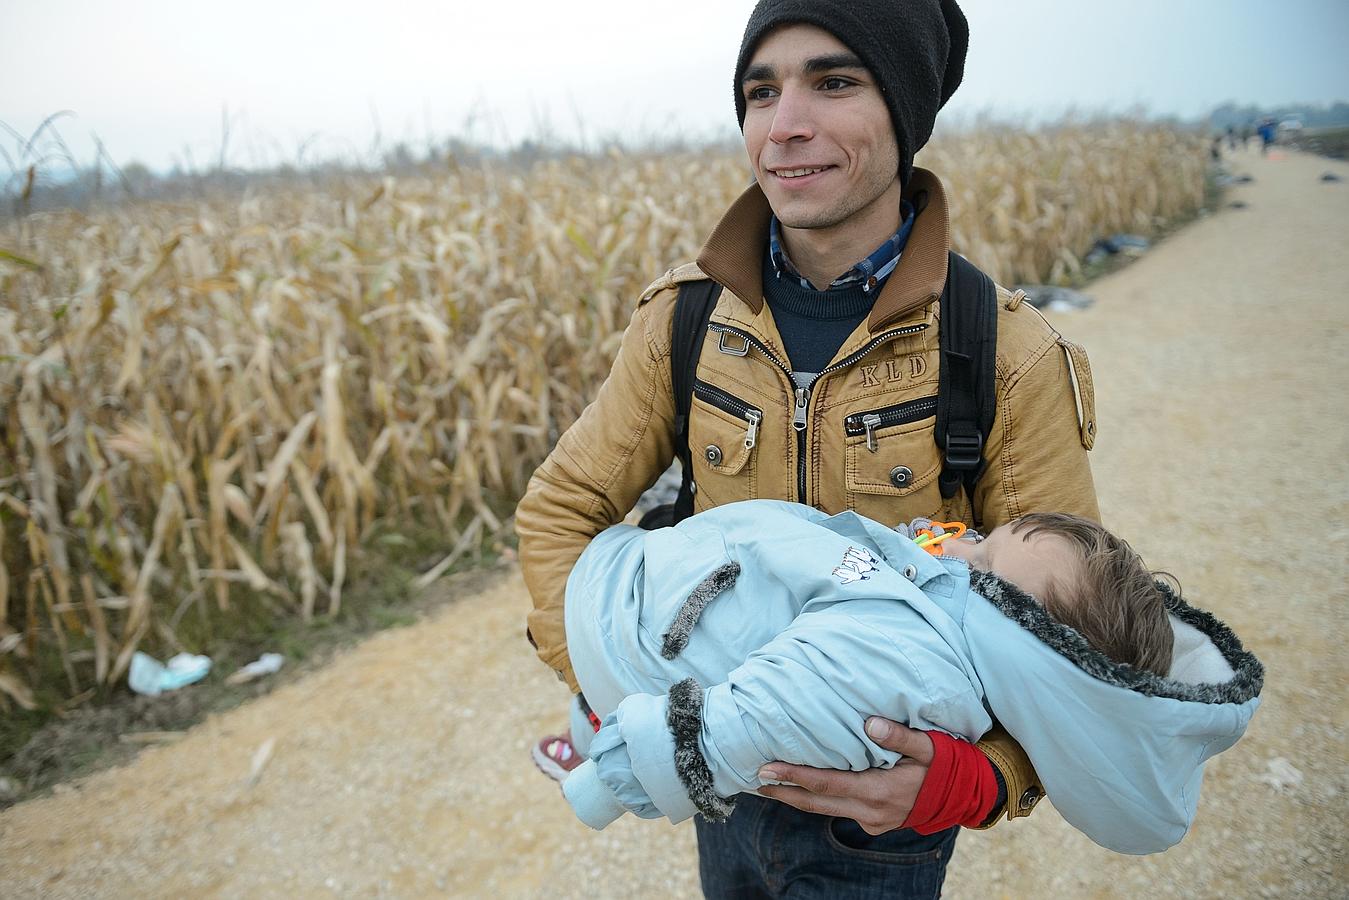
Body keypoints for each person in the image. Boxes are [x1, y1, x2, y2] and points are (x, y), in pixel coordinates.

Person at [515, 0, 1100, 893]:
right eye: (760, 92)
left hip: (878, 822)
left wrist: (977, 780)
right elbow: (562, 508)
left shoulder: (1003, 351)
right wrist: (615, 684)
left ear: (903, 112)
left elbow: (1070, 629)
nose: (783, 125)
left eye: (832, 82)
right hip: (718, 791)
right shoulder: (685, 319)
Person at [557, 501, 1261, 856]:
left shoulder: (911, 659)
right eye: (983, 537)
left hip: (637, 632)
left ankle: (598, 730)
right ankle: (595, 713)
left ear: (1031, 638)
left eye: (982, 564)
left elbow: (754, 721)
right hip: (662, 620)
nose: (957, 541)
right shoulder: (943, 627)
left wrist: (617, 776)